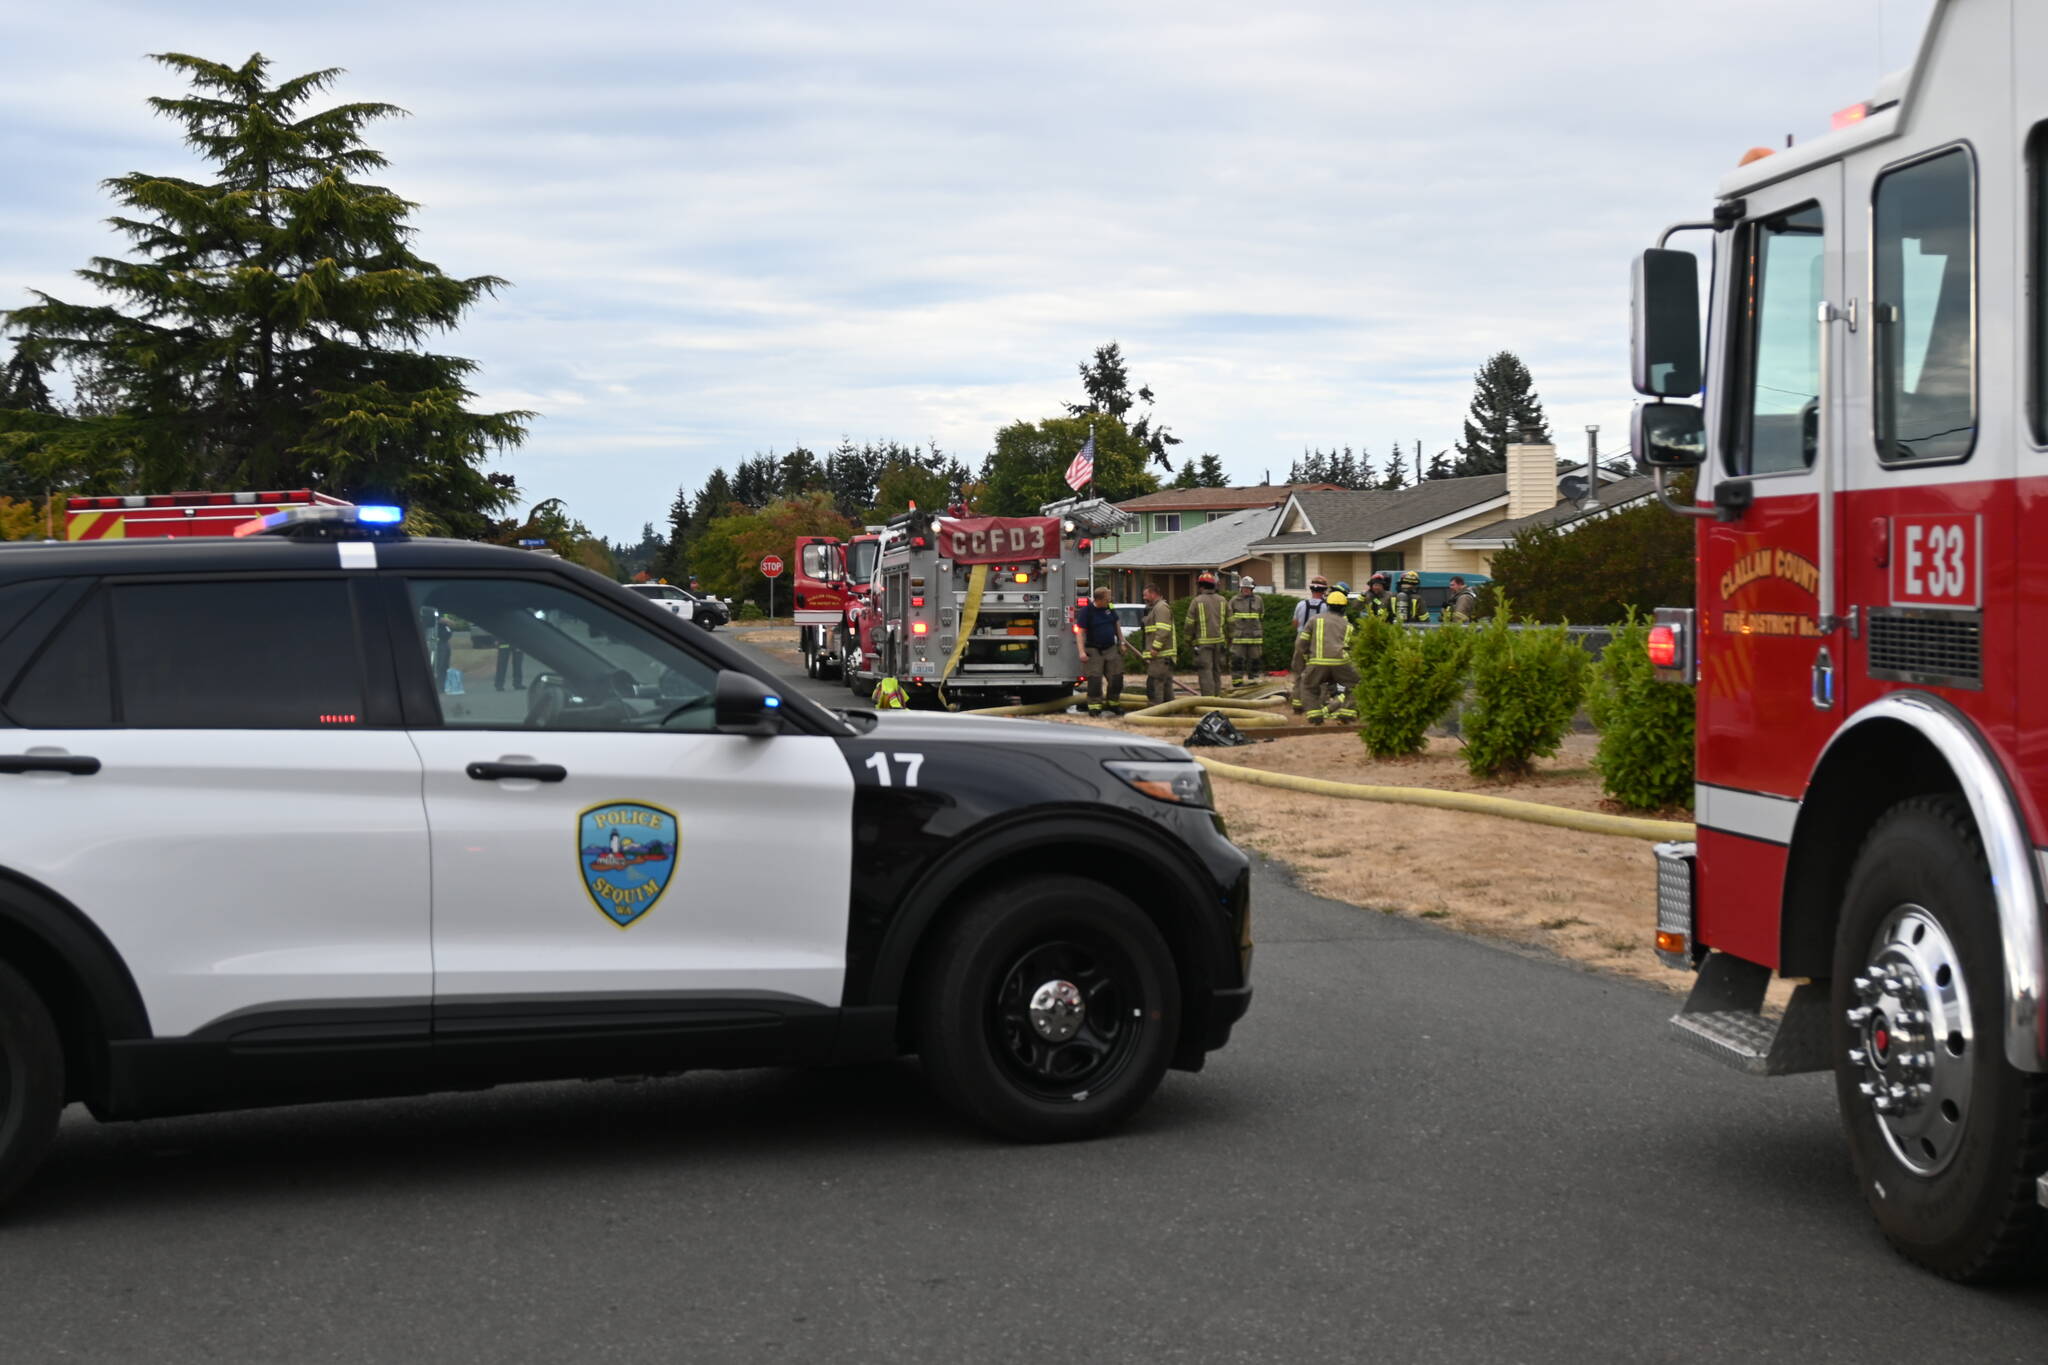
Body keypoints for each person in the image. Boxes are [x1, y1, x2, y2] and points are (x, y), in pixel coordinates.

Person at [1298, 589, 1357, 724]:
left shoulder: (1314, 620)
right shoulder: (1348, 625)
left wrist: (1307, 660)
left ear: (1327, 605)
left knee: (1308, 686)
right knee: (1356, 686)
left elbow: (1302, 644)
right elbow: (1353, 648)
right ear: (1344, 608)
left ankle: (1315, 717)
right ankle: (1347, 715)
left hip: (1317, 663)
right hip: (1341, 663)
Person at [1074, 587, 1127, 715]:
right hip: (1093, 649)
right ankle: (1094, 706)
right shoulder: (1087, 611)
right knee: (1095, 680)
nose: (1110, 599)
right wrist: (1081, 652)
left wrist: (1122, 642)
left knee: (1117, 677)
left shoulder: (1109, 608)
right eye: (1108, 597)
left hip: (1110, 648)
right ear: (1100, 599)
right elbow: (1080, 632)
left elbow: (1116, 624)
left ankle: (1113, 703)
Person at [1288, 575, 1329, 713]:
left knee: (1299, 673)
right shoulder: (1326, 607)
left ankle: (1297, 704)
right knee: (1319, 674)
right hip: (1317, 642)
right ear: (1324, 591)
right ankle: (1318, 704)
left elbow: (1295, 624)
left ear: (1311, 589)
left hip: (1301, 640)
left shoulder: (1300, 604)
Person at [1187, 572, 1228, 698]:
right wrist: (1229, 640)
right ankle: (1217, 698)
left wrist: (1188, 641)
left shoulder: (1197, 601)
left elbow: (1189, 624)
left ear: (1201, 587)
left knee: (1206, 672)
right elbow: (1231, 622)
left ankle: (1208, 701)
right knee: (1217, 671)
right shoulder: (1223, 601)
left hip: (1203, 644)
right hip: (1219, 643)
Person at [1141, 583, 1176, 705]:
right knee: (1165, 687)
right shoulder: (1155, 608)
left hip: (1160, 655)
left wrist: (1155, 648)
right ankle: (1168, 711)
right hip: (1160, 656)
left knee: (1154, 684)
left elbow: (1163, 630)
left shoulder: (1161, 608)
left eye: (1145, 595)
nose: (1144, 598)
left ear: (1153, 593)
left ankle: (1155, 710)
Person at [1228, 576, 1264, 687]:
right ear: (1240, 588)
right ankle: (1237, 682)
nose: (1246, 590)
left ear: (1252, 589)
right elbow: (1229, 619)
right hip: (1239, 638)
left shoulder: (1258, 600)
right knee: (1237, 661)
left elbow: (1261, 615)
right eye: (1244, 588)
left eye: (1248, 588)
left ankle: (1254, 682)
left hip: (1255, 638)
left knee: (1255, 661)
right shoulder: (1234, 601)